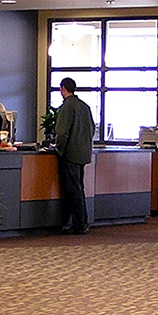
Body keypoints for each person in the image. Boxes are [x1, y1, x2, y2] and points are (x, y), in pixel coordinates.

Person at [54, 77, 94, 235]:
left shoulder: (67, 107)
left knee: (73, 189)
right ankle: (81, 221)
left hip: (70, 154)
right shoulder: (85, 107)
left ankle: (79, 223)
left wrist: (59, 149)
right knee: (79, 188)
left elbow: (62, 133)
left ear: (63, 89)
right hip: (83, 153)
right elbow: (91, 129)